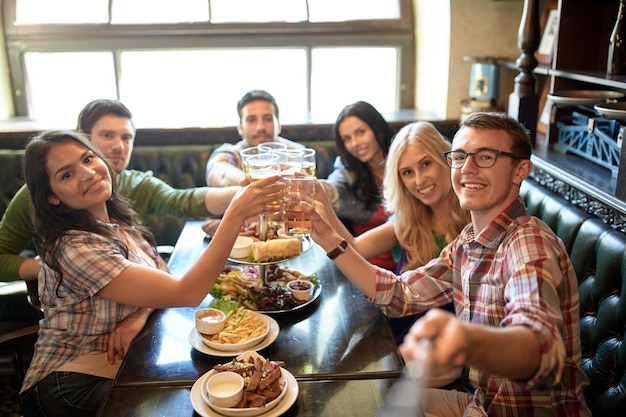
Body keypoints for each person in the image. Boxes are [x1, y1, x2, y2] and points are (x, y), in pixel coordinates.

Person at [304, 112, 591, 416]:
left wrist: (465, 341)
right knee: (371, 405)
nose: (467, 168)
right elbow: (400, 293)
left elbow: (538, 347)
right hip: (481, 404)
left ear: (520, 170)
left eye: (485, 157)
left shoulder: (528, 242)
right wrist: (327, 238)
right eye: (460, 156)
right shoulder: (469, 241)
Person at [18, 130, 282, 417]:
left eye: (88, 159)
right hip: (70, 382)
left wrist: (139, 314)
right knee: (203, 402)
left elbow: (161, 271)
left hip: (128, 361)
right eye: (66, 175)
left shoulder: (117, 225)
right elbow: (186, 292)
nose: (87, 173)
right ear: (52, 197)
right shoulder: (74, 247)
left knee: (238, 387)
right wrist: (235, 213)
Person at [0, 99, 240, 282]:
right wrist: (53, 268)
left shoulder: (135, 186)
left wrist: (246, 190)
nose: (119, 146)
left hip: (137, 302)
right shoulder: (36, 196)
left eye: (127, 138)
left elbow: (183, 200)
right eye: (107, 136)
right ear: (82, 139)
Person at [320, 101, 396, 271]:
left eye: (360, 132)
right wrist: (313, 188)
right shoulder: (348, 169)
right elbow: (333, 187)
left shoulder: (404, 164)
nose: (354, 143)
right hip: (365, 267)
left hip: (410, 266)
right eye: (347, 139)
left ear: (376, 128)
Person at [205, 89, 304, 187]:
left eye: (268, 119)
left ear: (278, 125)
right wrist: (261, 181)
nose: (260, 127)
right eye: (251, 120)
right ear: (240, 127)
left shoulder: (295, 152)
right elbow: (219, 176)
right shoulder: (230, 153)